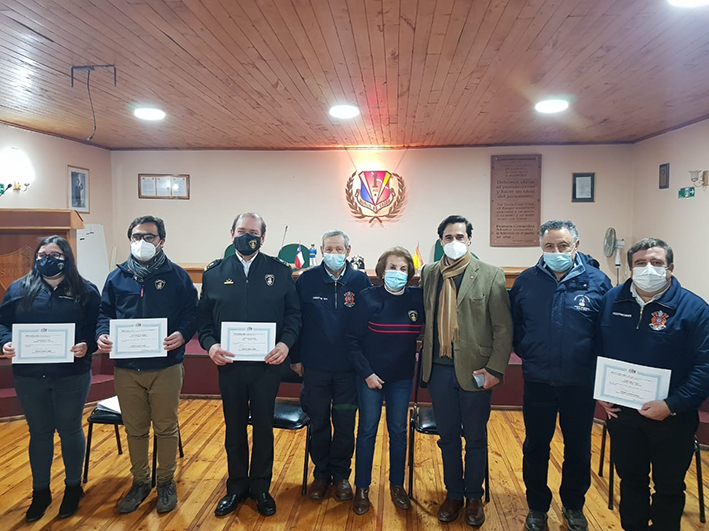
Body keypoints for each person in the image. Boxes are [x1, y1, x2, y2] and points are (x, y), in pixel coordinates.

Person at [598, 238, 709, 531]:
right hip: (623, 415)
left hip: (673, 419)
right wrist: (600, 392)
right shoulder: (611, 301)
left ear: (670, 268)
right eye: (641, 263)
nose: (649, 268)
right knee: (631, 483)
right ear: (632, 268)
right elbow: (596, 349)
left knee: (669, 488)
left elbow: (705, 367)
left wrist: (672, 405)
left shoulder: (695, 309)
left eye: (657, 263)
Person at [510, 220, 612, 531]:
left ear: (576, 246)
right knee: (536, 446)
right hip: (538, 380)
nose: (556, 251)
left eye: (563, 246)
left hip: (579, 383)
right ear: (541, 247)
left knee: (578, 448)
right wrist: (529, 351)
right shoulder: (526, 282)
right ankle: (537, 507)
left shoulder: (598, 282)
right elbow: (516, 328)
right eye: (550, 246)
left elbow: (605, 334)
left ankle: (573, 505)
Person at [198, 212, 301, 517]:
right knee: (234, 427)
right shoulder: (215, 272)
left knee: (264, 428)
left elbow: (294, 315)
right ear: (232, 233)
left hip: (267, 365)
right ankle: (236, 486)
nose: (247, 236)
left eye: (253, 232)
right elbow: (203, 320)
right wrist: (210, 346)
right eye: (242, 230)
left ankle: (260, 487)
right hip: (229, 365)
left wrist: (285, 344)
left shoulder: (280, 272)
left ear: (263, 237)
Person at [96, 215, 198, 514]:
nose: (142, 242)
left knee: (166, 428)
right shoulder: (116, 278)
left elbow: (192, 313)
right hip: (127, 368)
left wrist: (181, 334)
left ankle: (165, 481)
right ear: (130, 239)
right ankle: (140, 481)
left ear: (161, 241)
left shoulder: (177, 276)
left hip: (165, 367)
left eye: (149, 237)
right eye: (137, 236)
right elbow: (104, 313)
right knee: (135, 429)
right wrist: (102, 334)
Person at [420, 215, 513, 526]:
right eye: (448, 237)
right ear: (441, 241)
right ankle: (454, 494)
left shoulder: (490, 275)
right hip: (440, 371)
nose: (454, 242)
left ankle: (474, 496)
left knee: (474, 438)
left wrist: (495, 370)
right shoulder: (431, 272)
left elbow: (502, 327)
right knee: (447, 437)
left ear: (470, 239)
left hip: (476, 370)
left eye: (460, 236)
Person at [0, 236, 100, 522]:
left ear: (67, 257)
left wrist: (87, 345)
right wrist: (6, 342)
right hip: (29, 376)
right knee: (39, 432)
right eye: (42, 254)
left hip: (71, 374)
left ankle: (72, 487)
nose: (47, 258)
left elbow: (98, 326)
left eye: (55, 254)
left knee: (70, 430)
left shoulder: (85, 290)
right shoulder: (19, 288)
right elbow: (4, 323)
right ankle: (41, 491)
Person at [289, 230, 371, 501]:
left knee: (346, 424)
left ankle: (342, 475)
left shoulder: (360, 281)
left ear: (348, 251)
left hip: (348, 370)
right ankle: (321, 475)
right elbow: (296, 321)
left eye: (339, 249)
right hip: (315, 368)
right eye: (329, 249)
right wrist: (296, 358)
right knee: (319, 422)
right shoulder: (307, 280)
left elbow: (367, 326)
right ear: (321, 250)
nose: (333, 254)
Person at [346, 247, 424, 514]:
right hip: (370, 378)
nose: (397, 273)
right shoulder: (367, 299)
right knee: (367, 431)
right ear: (381, 272)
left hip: (401, 378)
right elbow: (353, 342)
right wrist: (367, 373)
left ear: (410, 274)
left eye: (403, 269)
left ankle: (397, 486)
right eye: (392, 267)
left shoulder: (417, 299)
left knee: (398, 432)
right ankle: (363, 488)